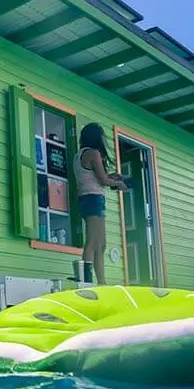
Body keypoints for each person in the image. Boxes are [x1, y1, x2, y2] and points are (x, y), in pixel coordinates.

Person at [76, 122, 128, 285]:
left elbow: (95, 177)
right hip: (94, 199)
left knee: (101, 244)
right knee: (93, 242)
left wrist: (112, 177)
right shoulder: (94, 153)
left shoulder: (79, 155)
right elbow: (103, 180)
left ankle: (101, 281)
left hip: (86, 199)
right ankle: (88, 280)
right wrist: (118, 184)